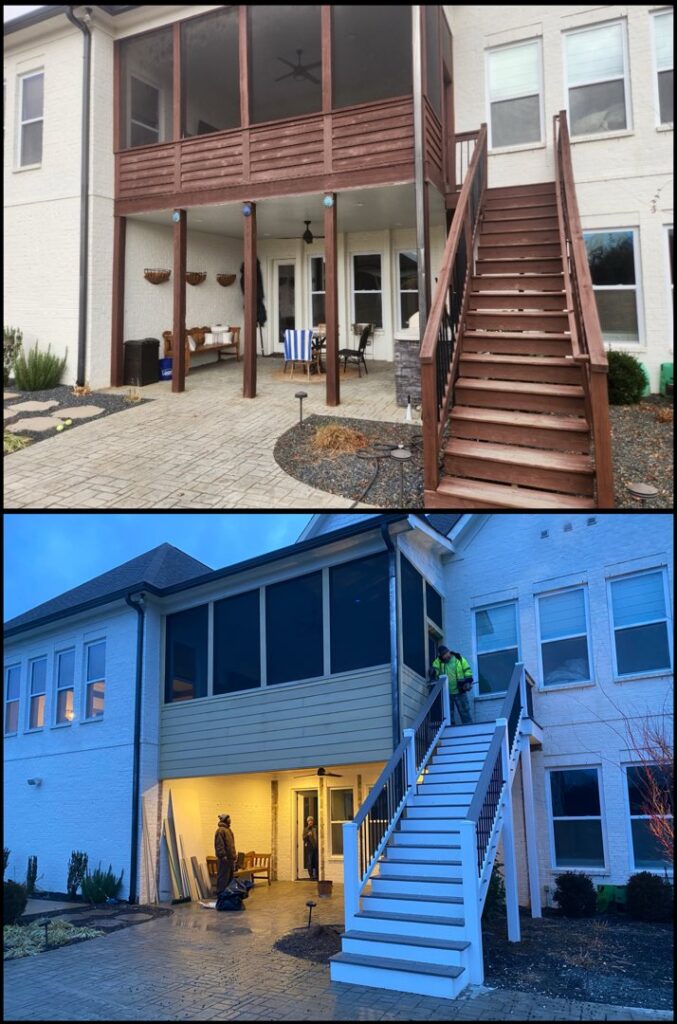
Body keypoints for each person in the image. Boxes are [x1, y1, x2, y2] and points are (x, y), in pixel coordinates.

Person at [430, 644, 474, 725]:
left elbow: (467, 670)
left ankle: (469, 727)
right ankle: (452, 729)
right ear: (441, 656)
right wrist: (433, 671)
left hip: (460, 691)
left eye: (446, 653)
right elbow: (435, 669)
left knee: (464, 712)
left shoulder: (459, 659)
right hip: (447, 693)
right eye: (443, 655)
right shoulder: (438, 662)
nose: (445, 656)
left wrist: (468, 682)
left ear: (449, 651)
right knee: (449, 714)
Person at [214, 813, 236, 893]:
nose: (230, 820)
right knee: (223, 878)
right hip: (224, 860)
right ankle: (221, 895)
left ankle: (228, 896)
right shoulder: (220, 831)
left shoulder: (228, 830)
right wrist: (223, 856)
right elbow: (219, 845)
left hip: (230, 859)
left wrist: (233, 856)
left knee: (230, 878)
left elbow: (231, 845)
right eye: (229, 818)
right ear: (225, 820)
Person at [302, 816, 318, 881]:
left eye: (311, 820)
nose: (310, 822)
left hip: (316, 847)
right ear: (307, 822)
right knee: (310, 862)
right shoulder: (305, 829)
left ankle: (316, 875)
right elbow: (303, 838)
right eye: (309, 821)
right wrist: (307, 835)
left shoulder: (315, 828)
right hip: (309, 848)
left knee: (316, 861)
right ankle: (311, 876)